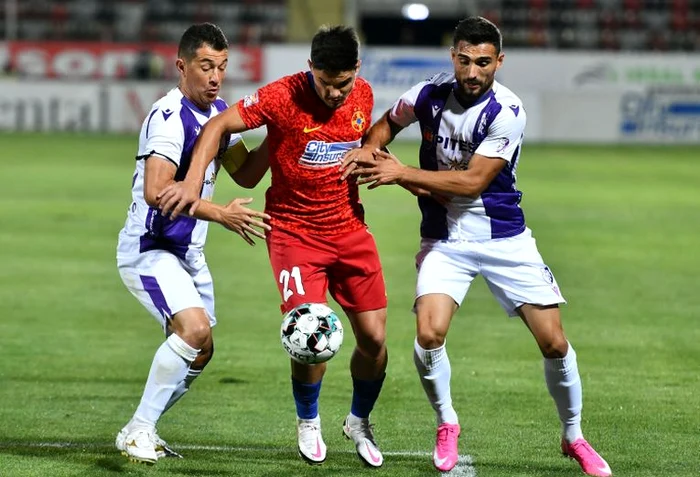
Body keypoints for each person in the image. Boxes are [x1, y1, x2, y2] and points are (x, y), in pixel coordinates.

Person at [341, 16, 612, 477]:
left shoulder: (507, 111)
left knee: (554, 342)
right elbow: (389, 121)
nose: (472, 72)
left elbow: (472, 182)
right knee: (428, 335)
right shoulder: (428, 93)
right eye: (464, 60)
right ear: (453, 57)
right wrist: (370, 149)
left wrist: (400, 173)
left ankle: (573, 435)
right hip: (445, 240)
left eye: (483, 62)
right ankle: (447, 423)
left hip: (505, 238)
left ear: (499, 62)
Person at [157, 26, 388, 468]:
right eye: (325, 83)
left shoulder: (363, 96)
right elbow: (219, 124)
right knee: (309, 337)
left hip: (350, 230)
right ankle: (308, 419)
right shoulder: (282, 95)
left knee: (375, 339)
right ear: (310, 70)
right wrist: (191, 183)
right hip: (294, 233)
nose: (335, 93)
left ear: (357, 71)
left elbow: (340, 144)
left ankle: (359, 420)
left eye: (343, 84)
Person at [115, 23, 271, 465]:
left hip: (187, 254)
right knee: (194, 331)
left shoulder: (218, 113)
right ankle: (140, 428)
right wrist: (221, 213)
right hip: (151, 247)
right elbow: (158, 192)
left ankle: (139, 427)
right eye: (206, 67)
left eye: (222, 67)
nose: (216, 77)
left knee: (201, 350)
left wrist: (282, 130)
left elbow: (246, 173)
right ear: (182, 66)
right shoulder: (168, 116)